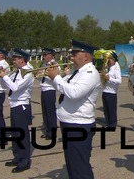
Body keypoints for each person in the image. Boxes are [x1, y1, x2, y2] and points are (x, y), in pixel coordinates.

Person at [45, 40, 101, 179]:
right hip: (69, 122)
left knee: (79, 168)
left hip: (79, 125)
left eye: (75, 54)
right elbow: (63, 86)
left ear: (86, 56)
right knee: (72, 164)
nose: (71, 57)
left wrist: (56, 77)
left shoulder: (89, 73)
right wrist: (55, 77)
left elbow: (74, 93)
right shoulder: (76, 72)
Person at [0, 49, 34, 173]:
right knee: (15, 133)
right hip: (14, 104)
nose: (13, 61)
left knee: (21, 134)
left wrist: (4, 77)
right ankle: (17, 156)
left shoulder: (28, 72)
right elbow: (8, 85)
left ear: (22, 60)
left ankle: (24, 161)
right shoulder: (17, 71)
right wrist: (3, 77)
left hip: (21, 105)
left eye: (15, 59)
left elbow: (16, 87)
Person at [39, 48, 58, 140]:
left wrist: (46, 74)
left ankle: (52, 133)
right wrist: (38, 75)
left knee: (50, 112)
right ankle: (48, 131)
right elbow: (40, 76)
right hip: (44, 89)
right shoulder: (45, 64)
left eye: (45, 55)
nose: (44, 56)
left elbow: (54, 77)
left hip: (50, 90)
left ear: (50, 55)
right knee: (45, 112)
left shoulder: (54, 64)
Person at [101, 51, 122, 129]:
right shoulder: (108, 67)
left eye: (109, 59)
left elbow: (119, 81)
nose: (107, 61)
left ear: (113, 60)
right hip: (105, 90)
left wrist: (109, 79)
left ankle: (112, 124)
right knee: (106, 110)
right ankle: (107, 122)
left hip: (111, 92)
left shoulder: (116, 67)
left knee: (111, 110)